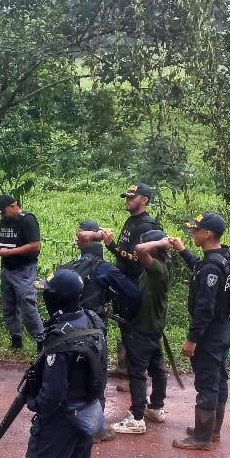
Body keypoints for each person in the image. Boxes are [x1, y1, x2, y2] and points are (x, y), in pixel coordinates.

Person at [1, 269, 107, 458]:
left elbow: (53, 393)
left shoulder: (60, 339)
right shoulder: (92, 321)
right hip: (87, 414)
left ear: (54, 298)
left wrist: (36, 405)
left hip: (59, 420)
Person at [70, 219, 141, 442]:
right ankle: (95, 428)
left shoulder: (69, 266)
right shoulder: (104, 269)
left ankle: (67, 420)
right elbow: (132, 293)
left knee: (71, 370)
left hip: (68, 325)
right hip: (94, 326)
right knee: (96, 371)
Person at [169, 211, 230, 450]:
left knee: (207, 381)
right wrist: (183, 250)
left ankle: (202, 438)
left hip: (209, 332)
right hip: (222, 328)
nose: (192, 232)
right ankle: (212, 430)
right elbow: (200, 267)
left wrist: (191, 339)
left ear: (207, 234)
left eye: (196, 230)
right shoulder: (222, 258)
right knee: (219, 378)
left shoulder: (211, 268)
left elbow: (204, 309)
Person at [110, 229, 172, 435]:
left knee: (137, 373)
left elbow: (139, 249)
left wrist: (159, 242)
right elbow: (137, 252)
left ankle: (136, 417)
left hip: (143, 330)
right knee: (157, 369)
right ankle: (155, 407)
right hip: (153, 328)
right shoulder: (161, 266)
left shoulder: (157, 269)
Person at [100, 183, 160, 377]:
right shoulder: (131, 221)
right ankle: (124, 366)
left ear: (144, 200)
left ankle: (137, 370)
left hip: (136, 281)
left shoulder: (146, 225)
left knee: (133, 325)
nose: (127, 200)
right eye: (126, 197)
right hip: (124, 280)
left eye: (131, 198)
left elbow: (136, 260)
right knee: (124, 323)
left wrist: (111, 245)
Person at [0, 193, 43, 350]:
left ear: (13, 206)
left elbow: (35, 245)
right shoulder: (5, 220)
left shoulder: (27, 220)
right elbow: (1, 239)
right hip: (7, 268)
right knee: (8, 307)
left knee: (28, 305)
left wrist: (10, 252)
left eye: (3, 211)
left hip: (24, 269)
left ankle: (41, 340)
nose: (2, 215)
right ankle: (16, 339)